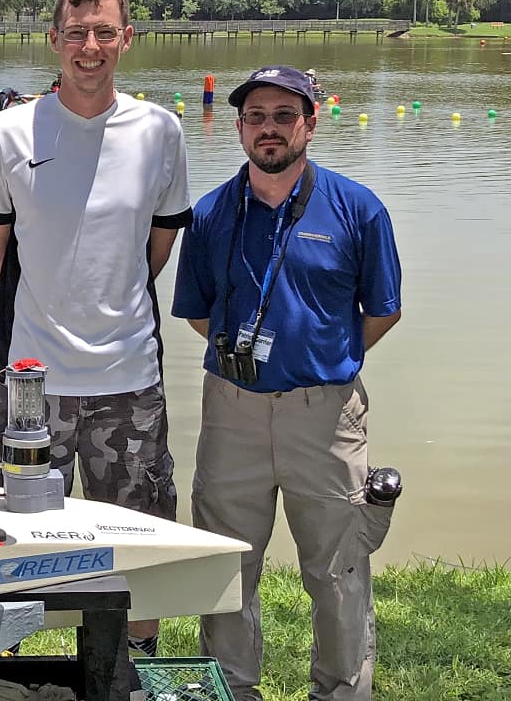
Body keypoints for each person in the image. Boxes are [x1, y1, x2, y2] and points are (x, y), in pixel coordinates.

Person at [0, 0, 191, 658]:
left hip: (129, 377)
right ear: (53, 40)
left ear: (126, 38)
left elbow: (155, 245)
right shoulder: (9, 132)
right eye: (75, 33)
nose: (88, 47)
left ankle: (134, 665)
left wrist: (106, 293)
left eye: (103, 32)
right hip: (32, 381)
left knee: (140, 534)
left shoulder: (161, 130)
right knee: (10, 538)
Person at [171, 65, 402, 701]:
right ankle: (231, 688)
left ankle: (340, 691)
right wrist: (251, 367)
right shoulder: (213, 212)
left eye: (282, 115)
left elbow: (382, 310)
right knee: (225, 564)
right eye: (255, 117)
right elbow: (197, 310)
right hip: (232, 409)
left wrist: (321, 361)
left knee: (338, 570)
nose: (268, 129)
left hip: (325, 415)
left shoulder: (358, 209)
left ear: (310, 120)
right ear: (240, 127)